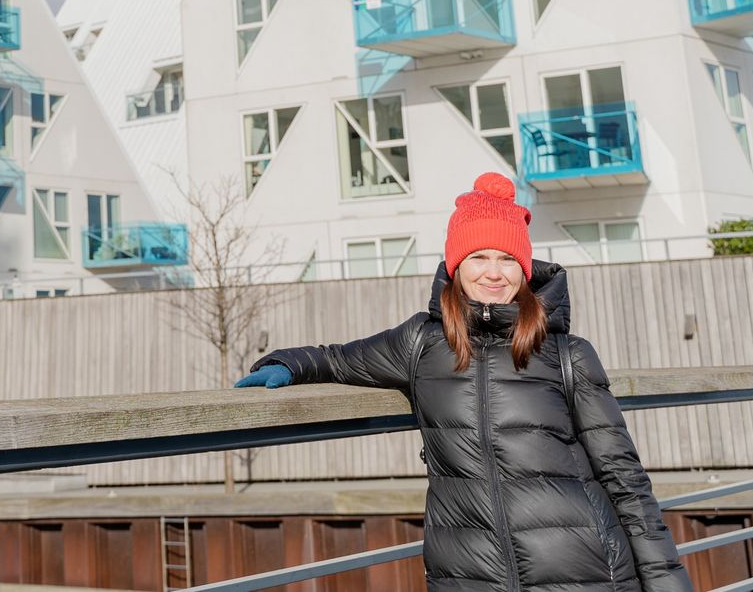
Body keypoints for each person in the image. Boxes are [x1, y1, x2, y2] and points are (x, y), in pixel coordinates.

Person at [235, 173, 692, 592]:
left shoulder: (568, 354)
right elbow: (337, 359)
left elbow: (624, 479)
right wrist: (287, 365)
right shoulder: (420, 343)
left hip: (586, 572)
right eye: (479, 257)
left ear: (525, 269)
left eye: (507, 259)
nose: (494, 273)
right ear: (456, 265)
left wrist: (666, 582)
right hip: (471, 574)